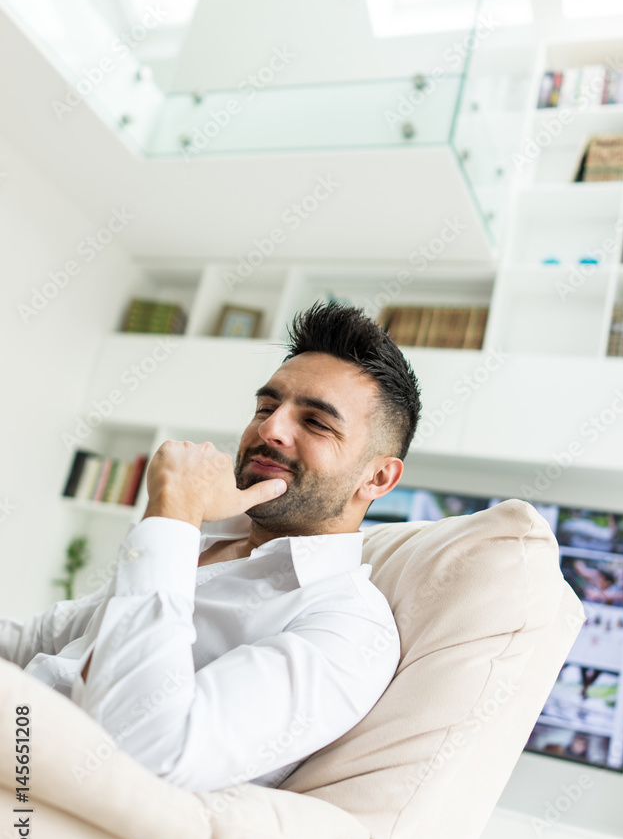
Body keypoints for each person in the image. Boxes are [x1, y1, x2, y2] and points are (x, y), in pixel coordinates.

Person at [0, 302, 422, 792]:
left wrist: (174, 510)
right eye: (266, 408)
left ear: (377, 477)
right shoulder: (200, 544)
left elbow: (149, 752)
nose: (269, 430)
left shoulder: (348, 627)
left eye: (316, 423)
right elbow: (48, 641)